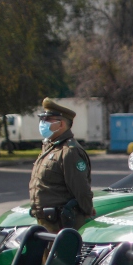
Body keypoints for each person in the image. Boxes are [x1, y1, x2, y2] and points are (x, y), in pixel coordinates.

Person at [28, 98, 95, 232]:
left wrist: (87, 211)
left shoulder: (70, 151)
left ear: (61, 124)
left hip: (60, 223)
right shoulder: (50, 147)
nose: (43, 124)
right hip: (46, 222)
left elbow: (81, 189)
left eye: (48, 120)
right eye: (43, 120)